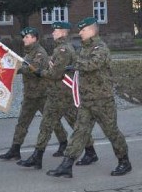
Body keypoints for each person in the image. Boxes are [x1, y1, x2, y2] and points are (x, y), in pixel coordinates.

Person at [47, 17, 131, 178]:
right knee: (79, 132)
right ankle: (66, 165)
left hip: (102, 100)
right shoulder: (84, 48)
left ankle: (124, 161)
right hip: (87, 101)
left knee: (112, 132)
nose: (80, 32)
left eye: (83, 30)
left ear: (91, 31)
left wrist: (73, 62)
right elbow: (80, 66)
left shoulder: (101, 48)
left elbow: (92, 65)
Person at [17, 21, 96, 169]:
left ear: (63, 32)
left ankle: (89, 152)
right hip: (58, 93)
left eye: (56, 30)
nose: (53, 33)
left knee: (56, 125)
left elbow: (55, 73)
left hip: (62, 94)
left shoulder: (63, 50)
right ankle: (38, 156)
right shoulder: (60, 48)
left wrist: (41, 73)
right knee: (54, 124)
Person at [0, 27, 68, 160]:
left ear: (34, 38)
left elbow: (35, 69)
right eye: (24, 37)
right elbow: (24, 66)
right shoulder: (28, 53)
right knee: (22, 122)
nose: (24, 39)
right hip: (30, 95)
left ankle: (63, 143)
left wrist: (17, 68)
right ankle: (15, 149)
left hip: (42, 95)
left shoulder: (40, 53)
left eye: (27, 37)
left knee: (52, 122)